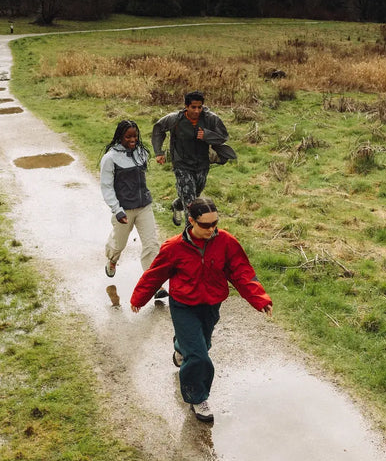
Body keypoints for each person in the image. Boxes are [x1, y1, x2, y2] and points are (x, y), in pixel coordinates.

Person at [130, 197, 273, 422]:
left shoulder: (226, 242)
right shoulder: (174, 247)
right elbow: (155, 274)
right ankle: (197, 397)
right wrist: (139, 298)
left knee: (202, 344)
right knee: (199, 356)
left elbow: (241, 272)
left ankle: (181, 347)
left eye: (215, 223)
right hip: (184, 305)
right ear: (191, 221)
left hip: (211, 304)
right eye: (205, 225)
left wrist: (260, 299)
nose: (212, 229)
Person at [100, 120, 168, 300]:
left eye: (135, 136)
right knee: (119, 245)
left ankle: (155, 284)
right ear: (120, 136)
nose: (133, 139)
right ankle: (112, 260)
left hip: (144, 206)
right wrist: (117, 210)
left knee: (152, 244)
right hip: (124, 210)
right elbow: (106, 187)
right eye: (128, 136)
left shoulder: (140, 152)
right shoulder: (110, 158)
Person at [151, 91, 230, 226]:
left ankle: (177, 204)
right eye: (193, 107)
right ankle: (191, 234)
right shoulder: (175, 119)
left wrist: (207, 135)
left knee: (194, 194)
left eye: (200, 107)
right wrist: (159, 152)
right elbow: (158, 128)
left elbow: (223, 136)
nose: (197, 110)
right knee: (191, 203)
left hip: (202, 164)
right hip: (182, 164)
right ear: (186, 106)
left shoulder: (210, 119)